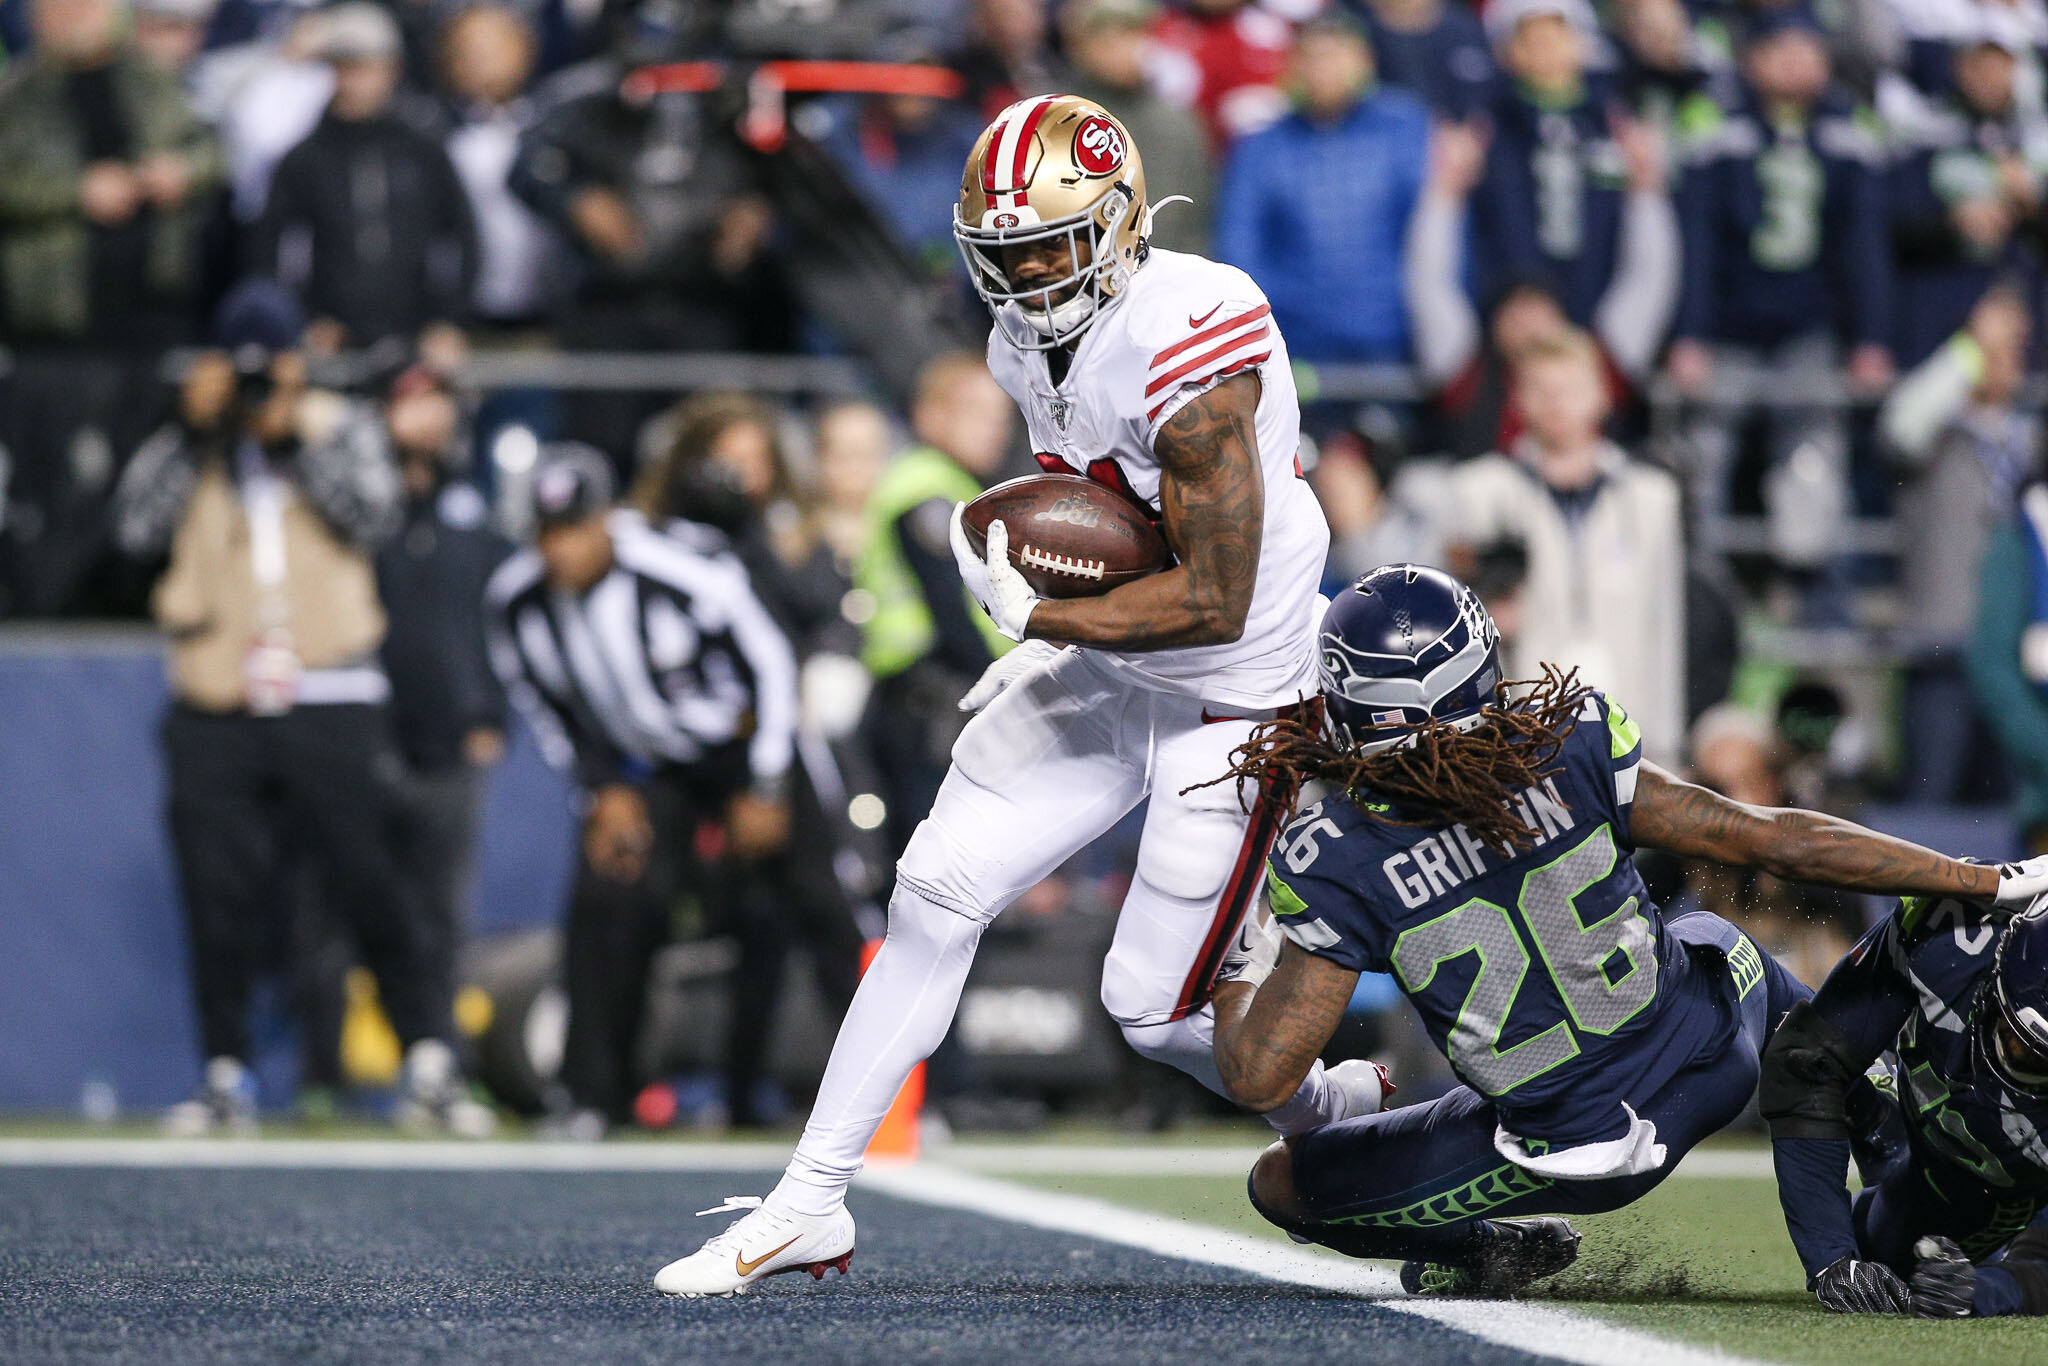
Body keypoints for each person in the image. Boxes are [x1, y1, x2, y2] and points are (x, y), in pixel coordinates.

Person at [655, 94, 1380, 1297]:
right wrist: (1066, 631)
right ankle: (809, 1200)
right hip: (1119, 666)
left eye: (1053, 245)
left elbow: (1212, 592)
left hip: (1240, 693)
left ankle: (1333, 1107)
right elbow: (1114, 529)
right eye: (1008, 254)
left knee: (1151, 1013)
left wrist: (1039, 617)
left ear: (1124, 222)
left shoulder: (1194, 337)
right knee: (932, 889)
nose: (1034, 274)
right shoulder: (1012, 342)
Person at [1204, 563, 2048, 1298]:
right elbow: (1768, 836)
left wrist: (1245, 953)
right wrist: (1984, 879)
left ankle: (1486, 1250)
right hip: (1716, 1059)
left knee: (1279, 1183)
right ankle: (1905, 1168)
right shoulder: (1566, 742)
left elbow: (1259, 1074)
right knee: (1723, 941)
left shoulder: (1335, 853)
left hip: (1568, 1156)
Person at [111, 281, 486, 1137]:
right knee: (218, 893)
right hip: (217, 691)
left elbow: (376, 512)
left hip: (331, 689)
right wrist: (190, 429)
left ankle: (428, 1061)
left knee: (373, 886)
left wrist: (290, 433)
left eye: (268, 364)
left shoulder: (337, 424)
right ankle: (224, 1073)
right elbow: (132, 532)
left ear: (295, 363)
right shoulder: (193, 437)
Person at [484, 445, 798, 1133]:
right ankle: (595, 1094)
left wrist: (766, 783)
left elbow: (771, 662)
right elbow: (549, 709)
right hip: (645, 771)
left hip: (741, 752)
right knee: (610, 895)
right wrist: (599, 790)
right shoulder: (518, 603)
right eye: (545, 533)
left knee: (783, 906)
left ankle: (754, 1096)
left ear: (608, 520)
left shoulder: (675, 570)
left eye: (572, 529)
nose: (558, 550)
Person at [632, 394, 868, 1127]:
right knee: (673, 913)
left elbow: (815, 606)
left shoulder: (778, 536)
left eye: (758, 461)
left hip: (772, 747)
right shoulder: (658, 540)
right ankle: (626, 1086)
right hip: (687, 752)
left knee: (811, 913)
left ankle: (864, 1093)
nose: (746, 477)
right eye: (730, 461)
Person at [0, 0, 225, 614]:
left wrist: (178, 172)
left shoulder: (153, 85)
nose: (76, 16)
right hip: (57, 338)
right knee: (60, 489)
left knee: (147, 485)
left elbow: (211, 154)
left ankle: (144, 607)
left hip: (155, 326)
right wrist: (76, 192)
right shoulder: (17, 99)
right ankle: (48, 618)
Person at [1667, 7, 1893, 569]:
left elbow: (1863, 245)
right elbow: (1695, 238)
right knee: (1705, 462)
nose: (1796, 65)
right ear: (1752, 59)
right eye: (1782, 51)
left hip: (1810, 326)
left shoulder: (1848, 127)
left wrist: (1871, 336)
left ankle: (1816, 604)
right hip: (1728, 325)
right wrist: (1689, 333)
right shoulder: (1715, 120)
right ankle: (1703, 595)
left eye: (1807, 51)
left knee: (1814, 464)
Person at [1762, 894, 2048, 1316]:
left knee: (1891, 1254)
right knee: (1787, 1026)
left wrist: (1985, 1290)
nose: (2020, 1061)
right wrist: (1829, 1260)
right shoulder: (1950, 934)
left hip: (1996, 1197)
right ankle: (1883, 1105)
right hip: (1925, 1123)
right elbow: (1808, 1063)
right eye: (2018, 1042)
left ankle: (1888, 1116)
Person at [1446, 328, 1686, 765]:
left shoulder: (1651, 498)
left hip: (1629, 721)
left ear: (1602, 394)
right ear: (1518, 398)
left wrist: (1666, 747)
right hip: (1519, 731)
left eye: (1571, 389)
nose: (1557, 403)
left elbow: (1664, 626)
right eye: (1541, 389)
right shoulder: (1477, 492)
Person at [1405, 113, 1679, 459]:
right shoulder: (1467, 372)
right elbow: (1430, 282)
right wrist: (1444, 190)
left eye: (1537, 310)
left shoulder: (1601, 363)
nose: (1527, 324)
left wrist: (1646, 187)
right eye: (1514, 315)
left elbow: (1647, 280)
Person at [374, 364, 511, 1015]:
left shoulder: (474, 505)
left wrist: (490, 712)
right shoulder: (360, 503)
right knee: (349, 903)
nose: (427, 419)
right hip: (365, 729)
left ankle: (439, 1057)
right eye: (411, 403)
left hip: (455, 736)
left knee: (443, 907)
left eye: (437, 404)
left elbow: (502, 618)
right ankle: (324, 1071)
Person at [853, 352, 1018, 866]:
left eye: (1000, 417)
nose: (994, 430)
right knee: (929, 858)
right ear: (930, 414)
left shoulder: (954, 488)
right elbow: (949, 608)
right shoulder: (924, 489)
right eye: (975, 413)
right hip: (923, 692)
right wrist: (1005, 677)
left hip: (936, 692)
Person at [1881, 284, 2036, 804]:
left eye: (2015, 347)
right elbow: (1901, 425)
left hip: (2018, 664)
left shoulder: (2029, 439)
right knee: (1929, 818)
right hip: (1942, 652)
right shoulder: (1938, 433)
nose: (2009, 359)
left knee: (2017, 826)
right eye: (1996, 349)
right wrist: (1971, 345)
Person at [251, 2, 476, 356]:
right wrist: (304, 319)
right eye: (340, 67)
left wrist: (448, 321)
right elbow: (269, 249)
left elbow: (464, 237)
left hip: (415, 335)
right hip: (330, 338)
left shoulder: (423, 152)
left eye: (364, 67)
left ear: (392, 69)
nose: (350, 81)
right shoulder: (303, 159)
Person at [1213, 16, 1430, 366]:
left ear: (1364, 61)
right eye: (1311, 56)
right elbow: (1240, 252)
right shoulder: (1260, 148)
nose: (1323, 68)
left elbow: (1432, 238)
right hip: (1293, 345)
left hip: (1392, 341)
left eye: (1335, 55)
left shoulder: (1403, 130)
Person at [1060, 0, 1213, 256]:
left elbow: (1199, 220)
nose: (1124, 50)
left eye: (1133, 35)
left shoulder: (1179, 124)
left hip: (1168, 278)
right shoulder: (1056, 120)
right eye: (1108, 40)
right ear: (1079, 47)